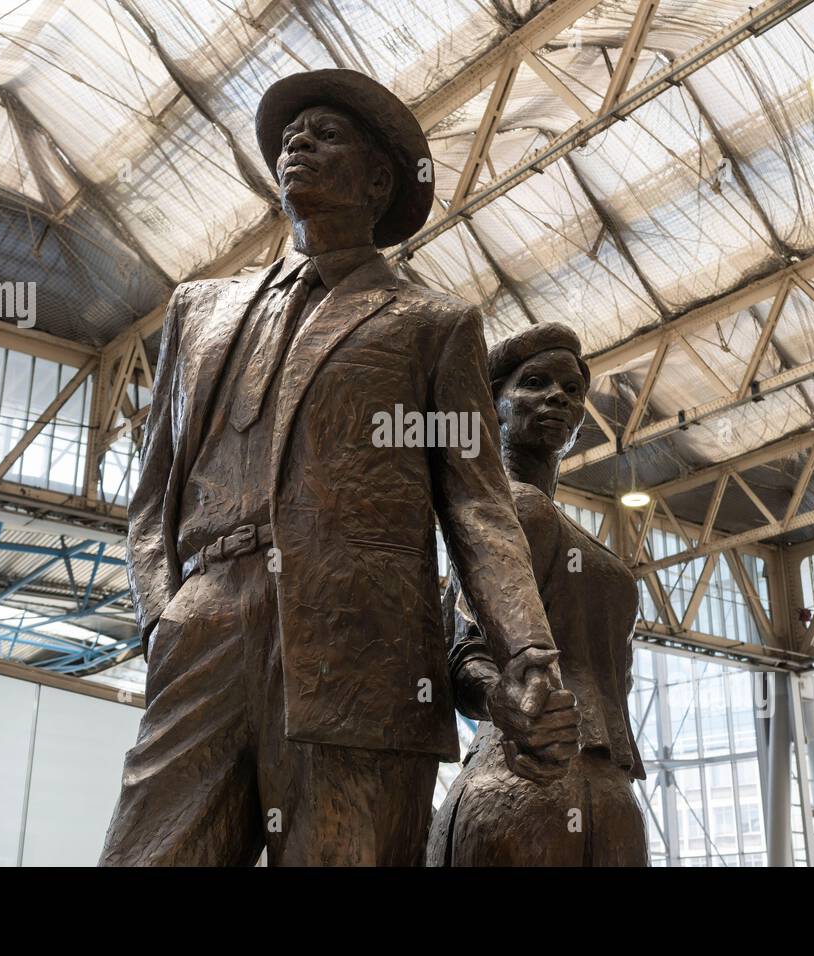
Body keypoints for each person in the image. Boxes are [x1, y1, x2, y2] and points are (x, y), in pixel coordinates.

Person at [100, 69, 576, 866]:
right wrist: (163, 621)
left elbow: (479, 510)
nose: (298, 142)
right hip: (204, 628)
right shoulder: (199, 311)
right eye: (293, 134)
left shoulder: (433, 324)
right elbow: (152, 497)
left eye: (326, 134)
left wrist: (527, 655)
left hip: (365, 649)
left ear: (379, 180)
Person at [427, 322, 649, 867]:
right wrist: (508, 700)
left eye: (572, 390)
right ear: (493, 405)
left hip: (610, 786)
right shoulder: (497, 518)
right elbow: (464, 655)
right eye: (533, 382)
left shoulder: (574, 537)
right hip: (521, 780)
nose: (557, 397)